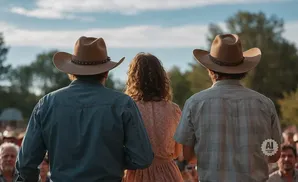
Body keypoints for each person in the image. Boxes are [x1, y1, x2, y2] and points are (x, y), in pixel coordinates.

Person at [15, 36, 154, 182]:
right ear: (106, 72)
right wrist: (112, 158)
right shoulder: (123, 104)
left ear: (72, 72)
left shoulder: (47, 104)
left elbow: (25, 163)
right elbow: (142, 158)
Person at [174, 34, 282, 182]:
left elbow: (187, 155)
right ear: (243, 69)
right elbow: (274, 154)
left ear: (211, 70)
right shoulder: (265, 104)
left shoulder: (195, 103)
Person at [123, 53, 183, 182]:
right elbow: (177, 152)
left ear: (133, 78)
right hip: (169, 174)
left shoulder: (128, 109)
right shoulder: (174, 110)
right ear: (161, 78)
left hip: (137, 175)